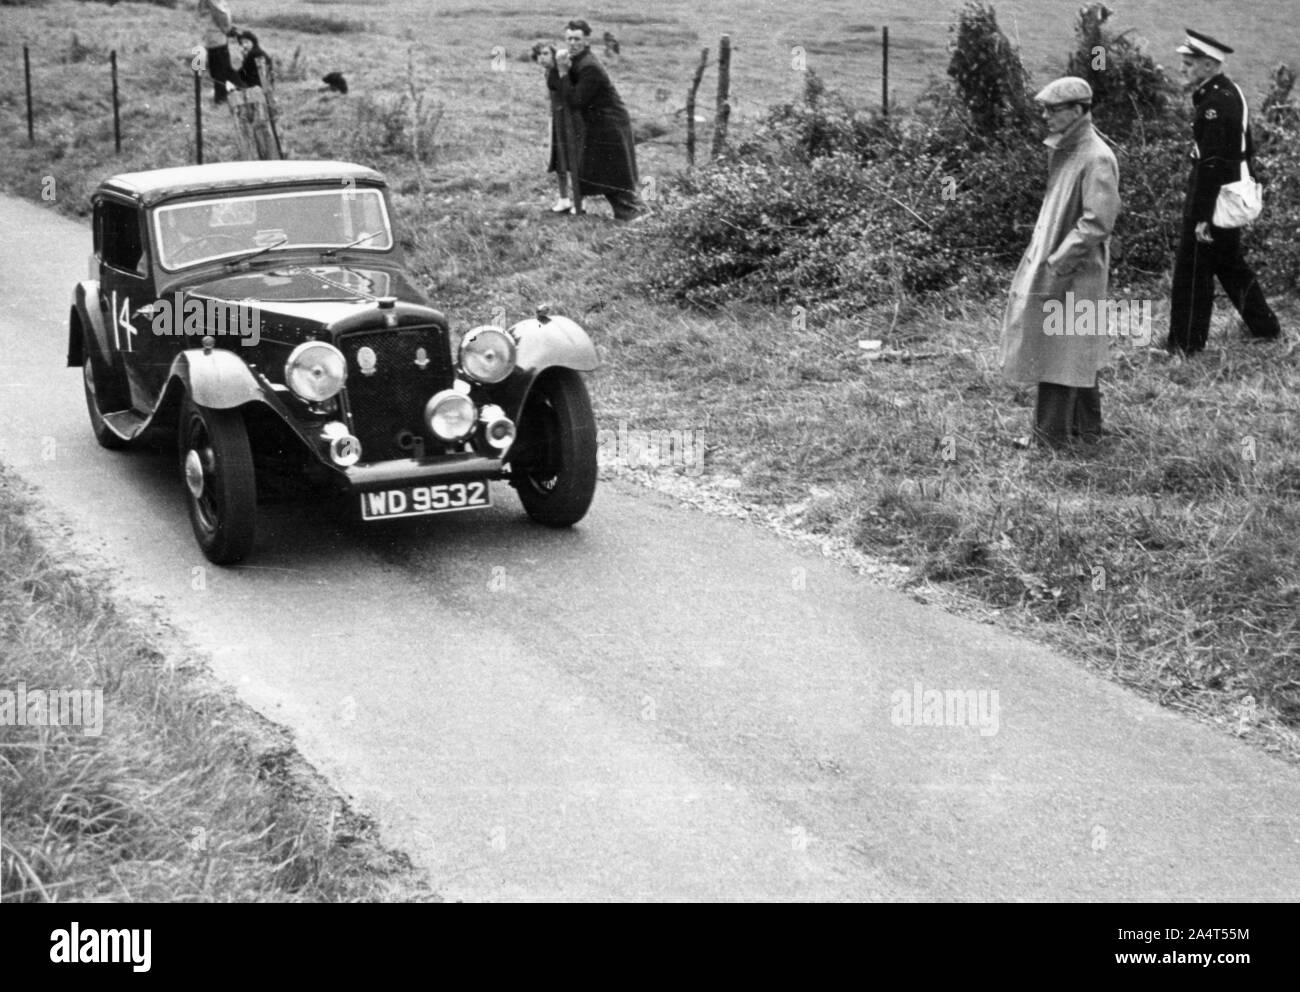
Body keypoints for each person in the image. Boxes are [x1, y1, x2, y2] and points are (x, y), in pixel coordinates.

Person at [1000, 77, 1121, 449]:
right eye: (1045, 109)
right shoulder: (1070, 149)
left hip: (1076, 270)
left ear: (1079, 111)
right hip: (1067, 267)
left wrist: (1058, 261)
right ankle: (1085, 432)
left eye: (1054, 110)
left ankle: (1049, 440)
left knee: (1060, 352)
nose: (1046, 116)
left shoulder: (1096, 156)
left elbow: (1097, 221)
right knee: (1074, 350)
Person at [1167, 29, 1281, 354]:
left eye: (1188, 63)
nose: (1182, 69)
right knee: (1229, 263)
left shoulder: (1214, 104)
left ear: (1207, 66)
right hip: (1230, 194)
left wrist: (1201, 217)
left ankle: (1185, 345)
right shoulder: (1230, 92)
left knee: (1192, 270)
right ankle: (1266, 326)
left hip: (1215, 199)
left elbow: (1212, 164)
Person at [554, 19, 645, 221]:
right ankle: (631, 214)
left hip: (609, 122)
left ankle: (634, 215)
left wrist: (562, 72)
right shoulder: (577, 60)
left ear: (586, 40)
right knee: (605, 169)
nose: (572, 43)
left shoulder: (589, 66)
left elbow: (576, 101)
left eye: (577, 38)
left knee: (611, 171)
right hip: (599, 122)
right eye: (568, 39)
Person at [532, 42, 575, 213]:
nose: (542, 58)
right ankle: (564, 199)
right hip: (556, 117)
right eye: (539, 55)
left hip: (570, 118)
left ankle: (580, 199)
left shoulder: (564, 70)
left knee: (574, 158)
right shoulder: (547, 72)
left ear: (553, 54)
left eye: (545, 54)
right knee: (559, 159)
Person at [197, 0, 240, 105]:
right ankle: (225, 96)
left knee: (220, 71)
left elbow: (221, 14)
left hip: (216, 38)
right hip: (213, 38)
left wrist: (227, 29)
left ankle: (222, 98)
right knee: (221, 70)